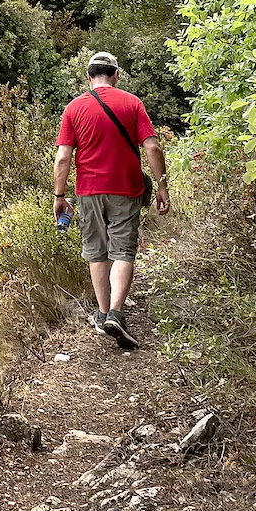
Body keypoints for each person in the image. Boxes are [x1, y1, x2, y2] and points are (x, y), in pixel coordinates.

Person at [53, 51, 170, 350]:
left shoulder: (74, 108)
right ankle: (116, 313)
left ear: (89, 76)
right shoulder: (133, 103)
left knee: (96, 251)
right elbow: (153, 148)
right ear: (116, 75)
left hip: (89, 191)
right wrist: (162, 185)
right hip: (126, 189)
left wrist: (60, 195)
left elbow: (63, 156)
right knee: (123, 251)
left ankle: (102, 313)